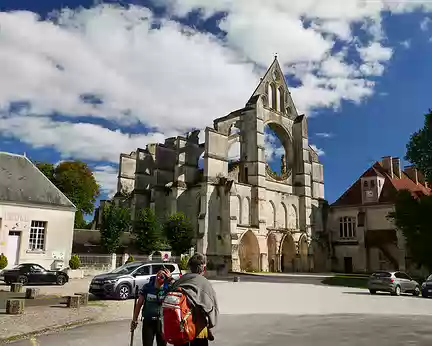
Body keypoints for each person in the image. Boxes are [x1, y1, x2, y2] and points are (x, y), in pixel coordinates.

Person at [171, 253, 219, 346]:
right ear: (204, 268)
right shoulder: (204, 283)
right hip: (198, 330)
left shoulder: (180, 281)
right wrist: (210, 324)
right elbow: (212, 308)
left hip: (180, 329)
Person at [131, 268, 174, 346]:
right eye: (159, 276)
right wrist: (134, 319)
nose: (160, 278)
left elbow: (180, 289)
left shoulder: (169, 289)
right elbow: (139, 303)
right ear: (156, 275)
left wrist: (171, 279)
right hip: (148, 321)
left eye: (163, 277)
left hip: (163, 323)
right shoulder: (147, 287)